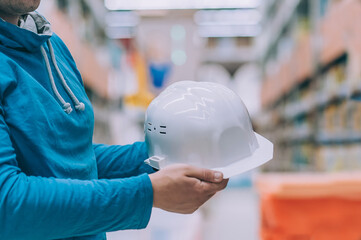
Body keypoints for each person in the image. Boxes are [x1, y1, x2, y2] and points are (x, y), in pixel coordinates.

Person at [0, 1, 228, 239]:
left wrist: (168, 155)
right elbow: (7, 203)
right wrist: (147, 193)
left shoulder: (52, 46)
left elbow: (70, 160)